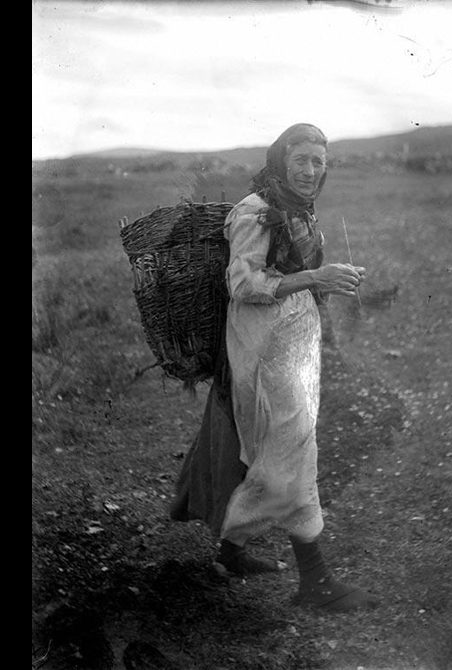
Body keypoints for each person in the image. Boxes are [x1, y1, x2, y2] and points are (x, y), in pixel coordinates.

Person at [170, 123, 377, 612]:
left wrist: (328, 283)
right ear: (281, 160)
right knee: (293, 453)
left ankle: (230, 555)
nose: (310, 171)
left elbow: (291, 277)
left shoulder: (297, 210)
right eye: (301, 159)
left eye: (318, 162)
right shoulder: (256, 210)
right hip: (264, 350)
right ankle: (316, 580)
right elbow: (243, 283)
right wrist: (313, 276)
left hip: (295, 345)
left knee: (279, 449)